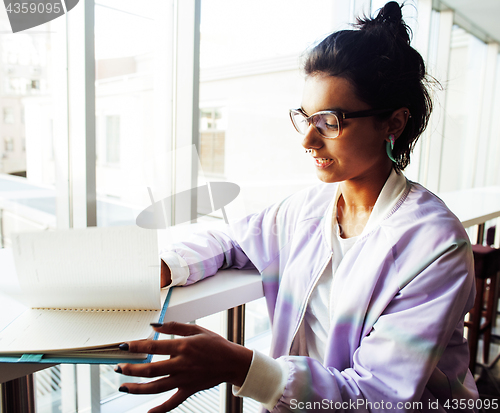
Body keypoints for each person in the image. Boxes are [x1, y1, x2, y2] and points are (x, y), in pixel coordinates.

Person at [114, 2, 478, 412]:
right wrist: (170, 266)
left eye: (330, 121)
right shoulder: (310, 210)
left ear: (393, 123)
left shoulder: (435, 245)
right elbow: (236, 240)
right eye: (305, 117)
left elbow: (380, 397)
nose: (308, 139)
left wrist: (241, 366)